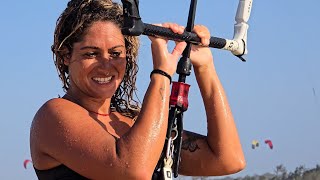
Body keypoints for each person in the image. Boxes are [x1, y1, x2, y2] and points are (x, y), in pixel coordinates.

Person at [30, 0, 246, 179]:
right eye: (91, 54)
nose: (106, 65)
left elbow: (227, 159)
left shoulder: (133, 122)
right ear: (65, 55)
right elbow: (134, 169)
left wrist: (205, 67)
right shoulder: (53, 115)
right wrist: (162, 74)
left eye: (115, 53)